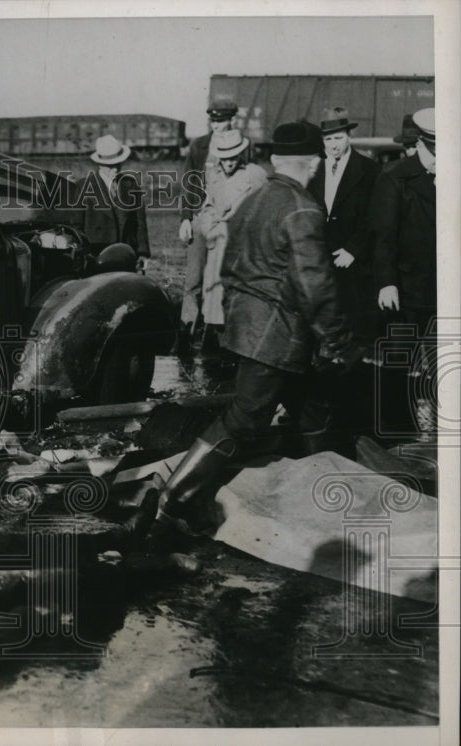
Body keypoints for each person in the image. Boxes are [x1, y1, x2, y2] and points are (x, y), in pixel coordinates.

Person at [131, 121, 355, 546]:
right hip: (280, 336)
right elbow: (314, 283)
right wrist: (337, 339)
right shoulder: (303, 207)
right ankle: (171, 504)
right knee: (244, 419)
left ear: (274, 160)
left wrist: (243, 312)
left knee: (314, 414)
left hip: (251, 327)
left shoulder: (255, 199)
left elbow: (230, 262)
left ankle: (325, 505)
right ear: (314, 162)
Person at [306, 107, 381, 344]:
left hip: (352, 260)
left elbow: (375, 215)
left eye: (338, 138)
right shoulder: (314, 168)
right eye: (328, 139)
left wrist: (354, 250)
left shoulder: (369, 170)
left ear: (349, 136)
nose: (334, 145)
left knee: (353, 323)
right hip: (320, 255)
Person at [178, 95, 242, 348]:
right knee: (193, 279)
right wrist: (185, 219)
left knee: (220, 278)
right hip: (200, 218)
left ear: (232, 120)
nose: (217, 126)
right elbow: (190, 183)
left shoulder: (242, 146)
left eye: (223, 121)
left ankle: (216, 335)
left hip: (227, 222)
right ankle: (186, 332)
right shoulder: (200, 146)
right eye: (213, 122)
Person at [192, 129, 267, 342]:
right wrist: (210, 228)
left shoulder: (256, 175)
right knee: (215, 293)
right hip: (217, 242)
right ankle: (216, 338)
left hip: (242, 244)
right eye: (224, 158)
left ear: (241, 154)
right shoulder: (213, 175)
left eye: (233, 157)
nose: (229, 163)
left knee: (239, 293)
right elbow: (206, 206)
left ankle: (240, 339)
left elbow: (263, 206)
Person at [372, 107, 436, 335]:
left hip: (447, 287)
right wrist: (387, 283)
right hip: (409, 289)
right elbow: (385, 236)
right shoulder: (395, 177)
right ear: (422, 143)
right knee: (403, 362)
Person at [80, 134, 150, 266]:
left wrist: (142, 253)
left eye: (118, 164)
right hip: (96, 259)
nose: (115, 169)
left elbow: (140, 225)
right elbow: (77, 228)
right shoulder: (83, 187)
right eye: (110, 165)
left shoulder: (131, 186)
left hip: (127, 257)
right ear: (100, 164)